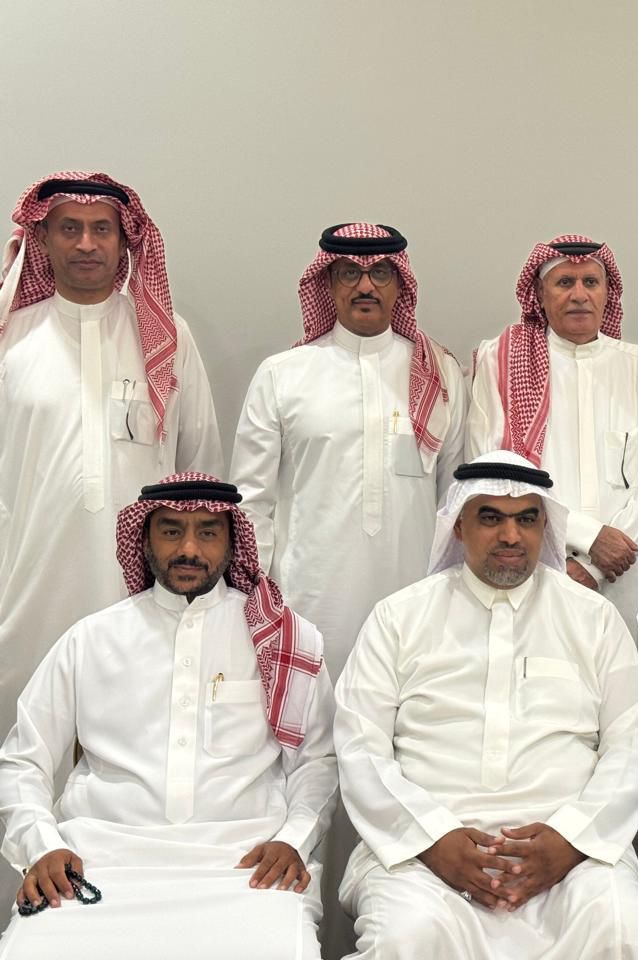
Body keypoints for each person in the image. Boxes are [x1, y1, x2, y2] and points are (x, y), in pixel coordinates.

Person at [334, 451, 638, 959]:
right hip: (423, 857)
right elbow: (361, 748)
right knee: (405, 938)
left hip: (571, 857)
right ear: (459, 527)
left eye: (527, 520)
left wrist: (568, 841)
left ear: (545, 527)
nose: (511, 536)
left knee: (627, 934)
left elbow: (631, 744)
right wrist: (435, 840)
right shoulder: (399, 618)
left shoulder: (593, 619)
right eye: (491, 518)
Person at [0, 474, 336, 959]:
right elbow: (22, 760)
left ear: (232, 541)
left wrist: (293, 840)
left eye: (208, 532)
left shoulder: (285, 640)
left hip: (244, 865)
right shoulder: (91, 639)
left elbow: (318, 761)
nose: (189, 549)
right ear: (145, 537)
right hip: (99, 860)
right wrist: (42, 846)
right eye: (171, 530)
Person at [0, 172, 222, 736]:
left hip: (140, 590)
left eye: (102, 229)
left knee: (132, 738)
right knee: (25, 742)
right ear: (41, 237)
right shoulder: (10, 337)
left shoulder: (167, 337)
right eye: (69, 228)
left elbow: (199, 463)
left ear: (126, 241)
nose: (86, 244)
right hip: (24, 581)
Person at [232, 222, 466, 676]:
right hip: (307, 601)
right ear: (327, 283)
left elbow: (453, 500)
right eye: (349, 273)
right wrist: (256, 598)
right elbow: (251, 502)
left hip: (416, 600)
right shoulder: (283, 374)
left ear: (400, 284)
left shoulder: (439, 375)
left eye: (380, 273)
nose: (365, 286)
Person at [468, 235, 638, 634]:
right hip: (541, 562)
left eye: (590, 282)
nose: (579, 295)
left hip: (624, 569)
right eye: (565, 282)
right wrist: (587, 537)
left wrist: (598, 563)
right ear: (540, 295)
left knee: (624, 668)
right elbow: (492, 471)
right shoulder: (502, 361)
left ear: (607, 293)